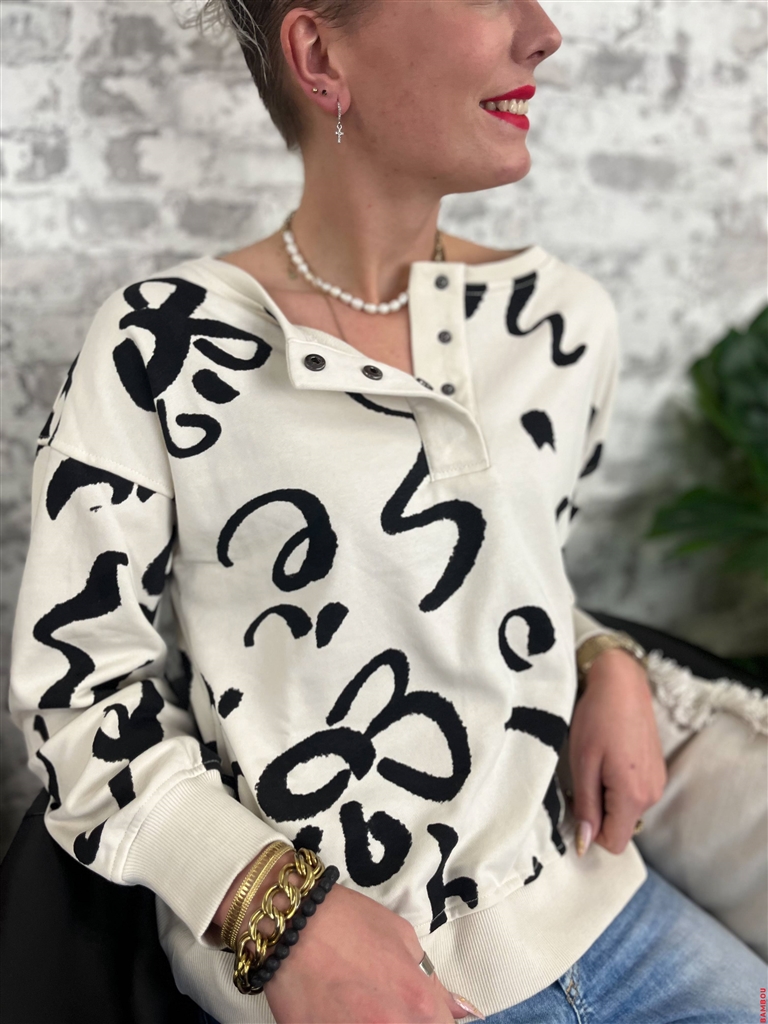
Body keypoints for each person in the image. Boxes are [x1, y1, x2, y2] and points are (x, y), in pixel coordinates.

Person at [9, 1, 766, 1022]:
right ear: (321, 53)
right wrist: (278, 912)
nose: (543, 31)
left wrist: (603, 657)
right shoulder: (163, 347)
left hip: (606, 905)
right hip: (354, 977)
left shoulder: (560, 324)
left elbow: (501, 584)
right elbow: (75, 696)